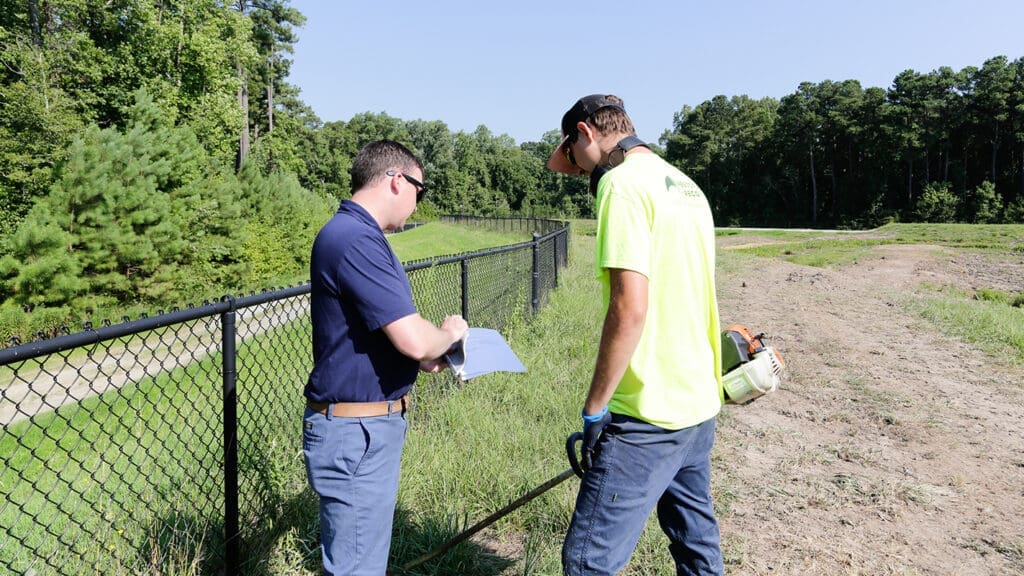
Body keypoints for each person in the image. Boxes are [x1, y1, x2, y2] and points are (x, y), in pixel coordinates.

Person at [548, 95, 725, 575]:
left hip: (647, 413)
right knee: (696, 544)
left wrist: (595, 408)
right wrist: (580, 157)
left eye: (576, 155)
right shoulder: (683, 184)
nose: (581, 173)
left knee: (588, 561)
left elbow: (629, 308)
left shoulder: (622, 186)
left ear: (585, 132)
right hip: (698, 402)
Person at [303, 139, 469, 575]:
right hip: (357, 432)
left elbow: (381, 332)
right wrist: (448, 335)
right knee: (357, 568)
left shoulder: (354, 235)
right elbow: (414, 337)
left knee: (359, 561)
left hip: (363, 427)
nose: (418, 204)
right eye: (421, 191)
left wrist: (421, 359)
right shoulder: (356, 238)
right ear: (397, 181)